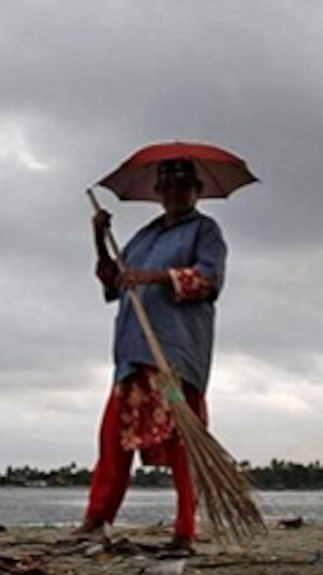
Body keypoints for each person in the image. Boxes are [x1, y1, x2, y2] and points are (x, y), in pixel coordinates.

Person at [75, 158, 228, 551]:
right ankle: (97, 518)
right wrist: (99, 237)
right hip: (132, 350)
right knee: (113, 437)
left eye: (184, 186)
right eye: (169, 187)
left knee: (182, 440)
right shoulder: (144, 238)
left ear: (196, 191)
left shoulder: (205, 231)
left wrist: (156, 278)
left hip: (174, 353)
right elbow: (113, 283)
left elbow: (208, 281)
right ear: (158, 193)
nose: (176, 193)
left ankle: (184, 530)